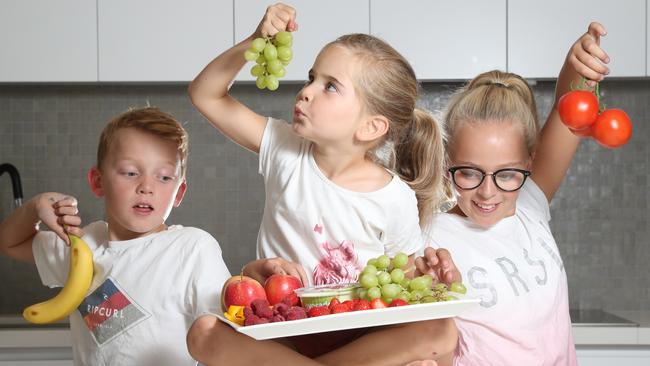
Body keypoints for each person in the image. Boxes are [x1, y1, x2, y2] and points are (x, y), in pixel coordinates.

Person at [186, 3, 459, 365]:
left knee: (443, 331)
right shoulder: (283, 148)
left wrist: (425, 273)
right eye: (312, 77)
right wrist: (253, 42)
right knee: (204, 331)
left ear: (371, 127)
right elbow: (205, 94)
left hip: (360, 339)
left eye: (330, 86)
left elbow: (400, 278)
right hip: (286, 334)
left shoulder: (394, 197)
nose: (306, 91)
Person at [415, 22, 611, 366]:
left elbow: (567, 111)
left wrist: (577, 61)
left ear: (529, 164)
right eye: (470, 172)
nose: (487, 192)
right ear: (449, 163)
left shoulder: (531, 204)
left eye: (506, 174)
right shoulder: (427, 235)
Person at [0, 107, 231, 366]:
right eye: (131, 172)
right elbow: (10, 242)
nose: (146, 186)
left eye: (164, 177)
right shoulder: (82, 245)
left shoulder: (192, 249)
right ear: (97, 181)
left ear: (179, 193)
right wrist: (35, 206)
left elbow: (223, 338)